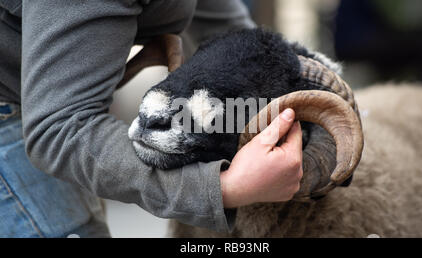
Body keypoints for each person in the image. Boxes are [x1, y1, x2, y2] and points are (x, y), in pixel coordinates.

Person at [0, 0, 303, 237]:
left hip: (49, 101)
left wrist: (289, 77)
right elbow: (60, 126)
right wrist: (223, 188)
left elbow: (226, 28)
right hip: (18, 120)